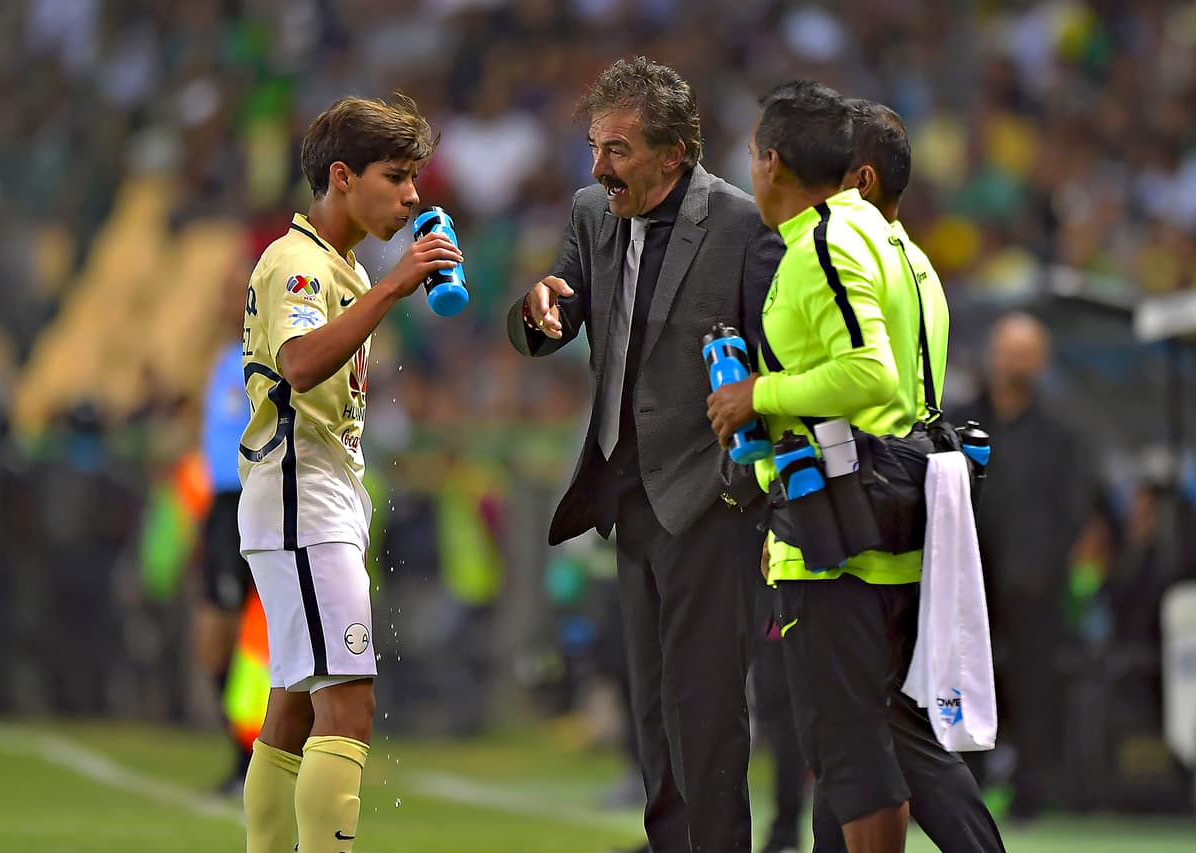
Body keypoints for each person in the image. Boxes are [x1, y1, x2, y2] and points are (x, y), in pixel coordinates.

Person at [706, 81, 1004, 853]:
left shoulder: (830, 242)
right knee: (877, 752)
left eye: (750, 159)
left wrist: (756, 393)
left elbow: (871, 380)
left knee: (858, 756)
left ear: (773, 162)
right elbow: (909, 397)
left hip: (839, 539)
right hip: (896, 520)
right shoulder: (912, 258)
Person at [506, 56, 782, 853]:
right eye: (595, 146)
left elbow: (773, 357)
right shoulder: (594, 211)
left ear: (673, 153)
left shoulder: (736, 222)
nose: (598, 166)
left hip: (706, 497)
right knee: (654, 709)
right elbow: (552, 303)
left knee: (708, 709)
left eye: (617, 149)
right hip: (628, 499)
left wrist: (738, 483)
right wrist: (538, 309)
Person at [237, 94, 462, 853]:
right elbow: (299, 364)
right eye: (396, 177)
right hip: (302, 501)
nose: (413, 196)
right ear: (341, 176)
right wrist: (395, 286)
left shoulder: (339, 264)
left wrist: (382, 283)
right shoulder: (298, 264)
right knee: (349, 704)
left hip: (310, 500)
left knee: (295, 710)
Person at [959, 311, 1093, 820]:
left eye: (1025, 352)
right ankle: (964, 785)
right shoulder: (962, 420)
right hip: (970, 580)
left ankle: (1032, 792)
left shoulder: (1063, 432)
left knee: (1036, 687)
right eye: (1008, 350)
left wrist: (1045, 564)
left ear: (1041, 361)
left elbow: (1075, 505)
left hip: (1036, 583)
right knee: (966, 682)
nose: (1015, 362)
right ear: (993, 355)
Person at [195, 269, 258, 796]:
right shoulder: (219, 361)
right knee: (214, 639)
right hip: (219, 507)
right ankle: (247, 753)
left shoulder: (267, 354)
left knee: (245, 637)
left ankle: (256, 757)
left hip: (251, 498)